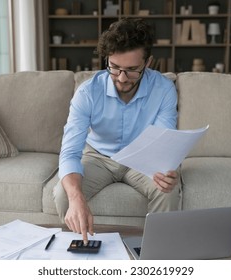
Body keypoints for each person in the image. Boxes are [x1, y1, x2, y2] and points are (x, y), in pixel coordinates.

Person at [54, 18, 181, 244]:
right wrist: (75, 197)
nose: (122, 78)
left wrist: (167, 170)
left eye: (132, 70)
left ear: (148, 62)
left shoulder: (164, 89)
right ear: (107, 60)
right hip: (98, 157)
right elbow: (70, 152)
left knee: (167, 191)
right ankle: (77, 256)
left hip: (144, 158)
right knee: (65, 193)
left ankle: (159, 258)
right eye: (114, 68)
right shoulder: (87, 93)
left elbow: (163, 143)